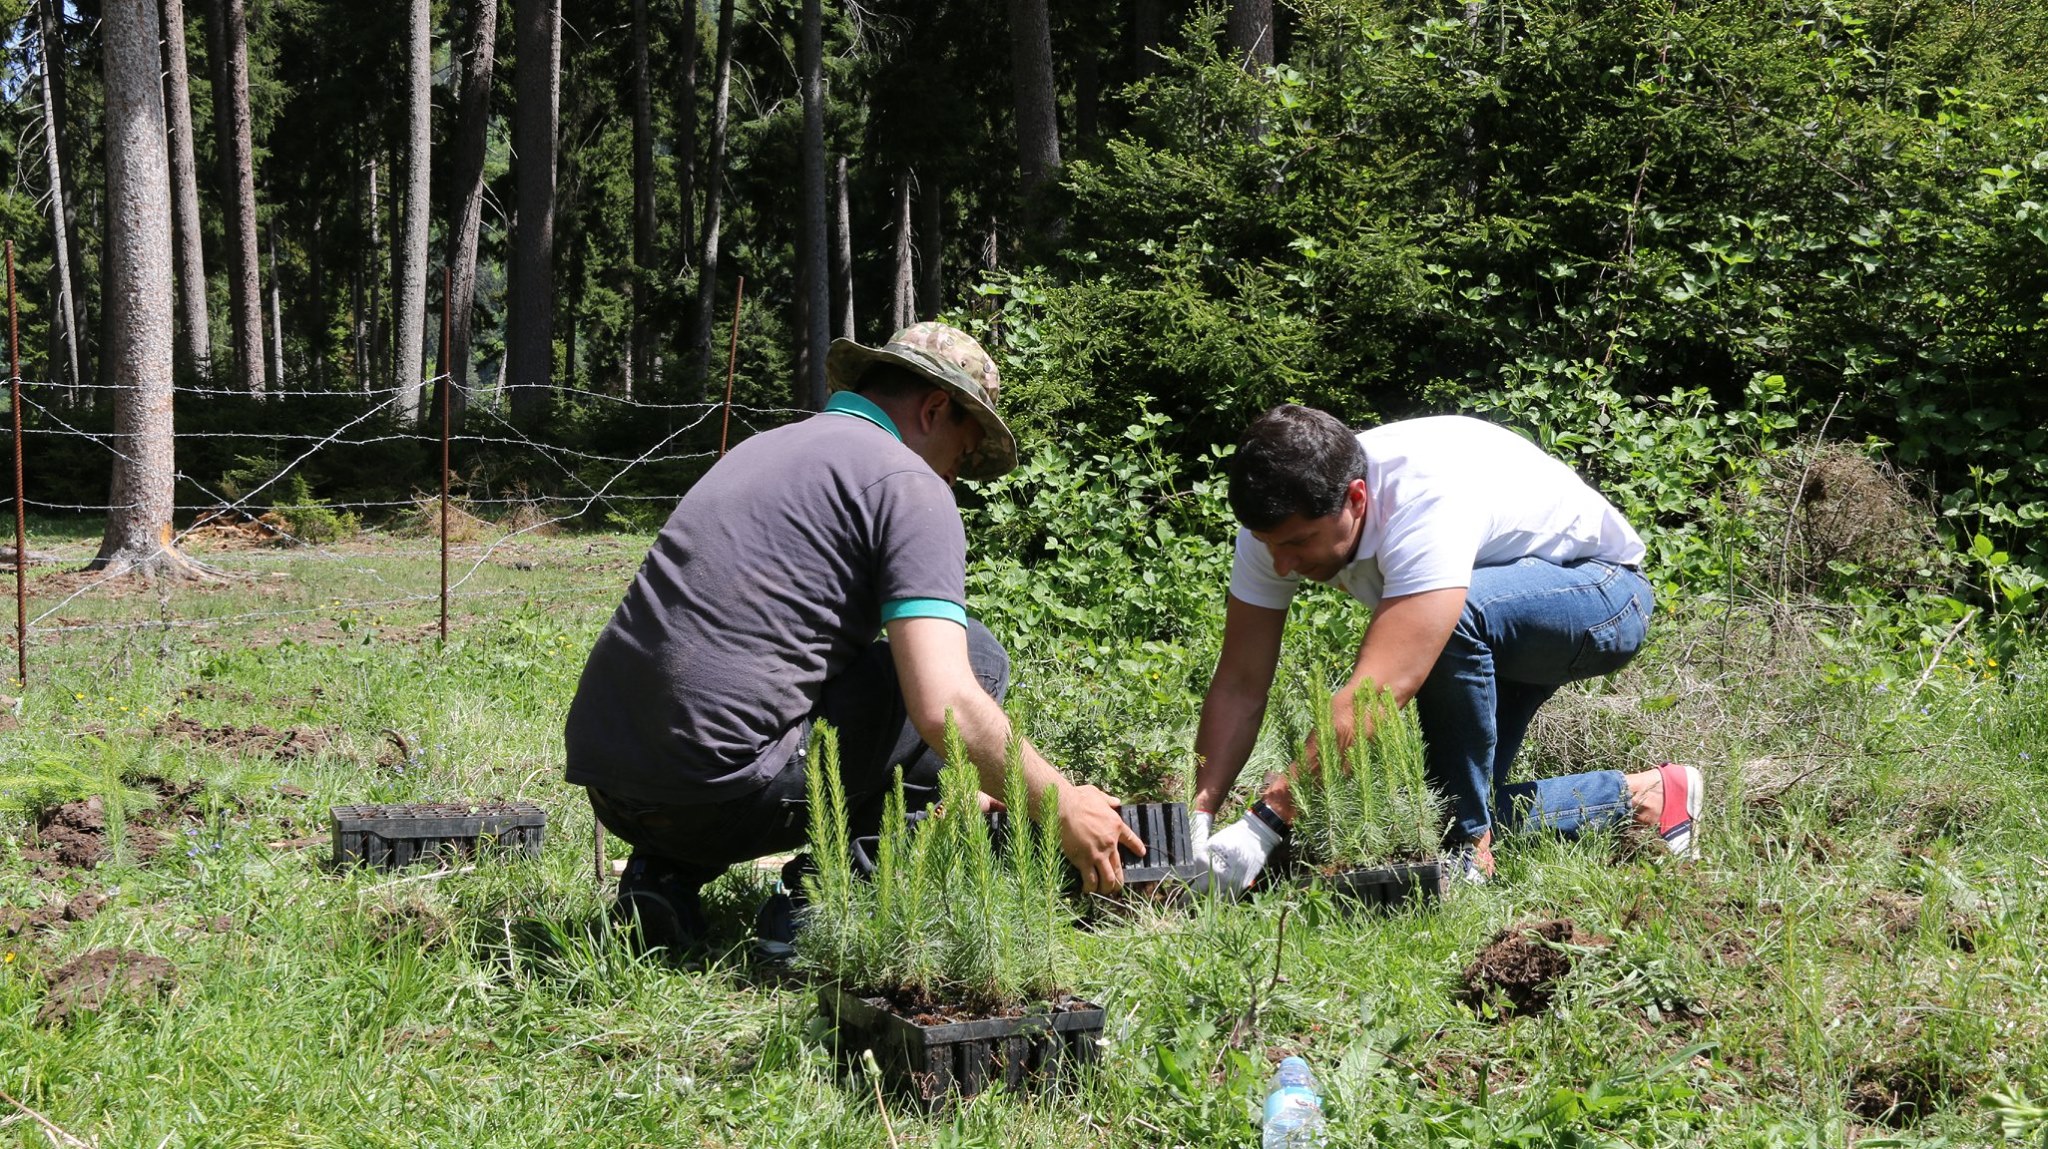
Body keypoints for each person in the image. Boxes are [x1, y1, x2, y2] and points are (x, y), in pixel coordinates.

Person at [564, 322, 1141, 956]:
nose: (957, 475)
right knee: (976, 657)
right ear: (934, 408)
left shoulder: (767, 448)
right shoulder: (907, 481)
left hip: (613, 788)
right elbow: (944, 702)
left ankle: (663, 878)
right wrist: (1061, 805)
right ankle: (826, 901)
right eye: (964, 452)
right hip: (718, 796)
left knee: (781, 692)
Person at [1189, 405, 1702, 889]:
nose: (1282, 564)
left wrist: (1268, 816)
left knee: (1454, 628)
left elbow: (1383, 687)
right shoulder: (1276, 528)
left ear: (1357, 499)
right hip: (1496, 614)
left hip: (1601, 595)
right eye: (1269, 544)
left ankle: (1467, 856)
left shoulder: (1423, 499)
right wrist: (1200, 818)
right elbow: (1239, 681)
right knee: (1441, 807)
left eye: (1299, 543)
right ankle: (1647, 797)